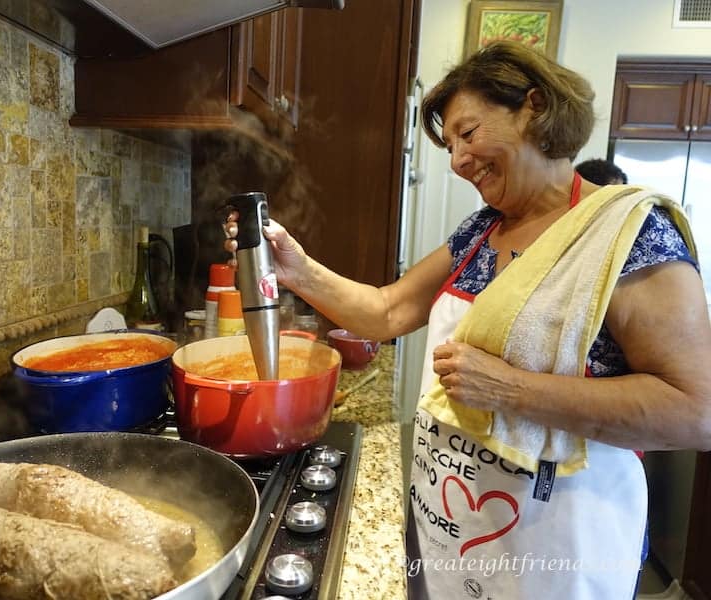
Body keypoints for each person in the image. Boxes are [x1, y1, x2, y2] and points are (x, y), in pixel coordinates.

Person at [224, 41, 711, 599]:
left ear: (534, 107)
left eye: (468, 133)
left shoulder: (630, 234)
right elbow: (386, 311)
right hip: (450, 523)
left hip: (555, 551)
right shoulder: (481, 230)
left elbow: (695, 411)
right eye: (450, 144)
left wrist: (513, 390)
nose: (456, 160)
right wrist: (297, 269)